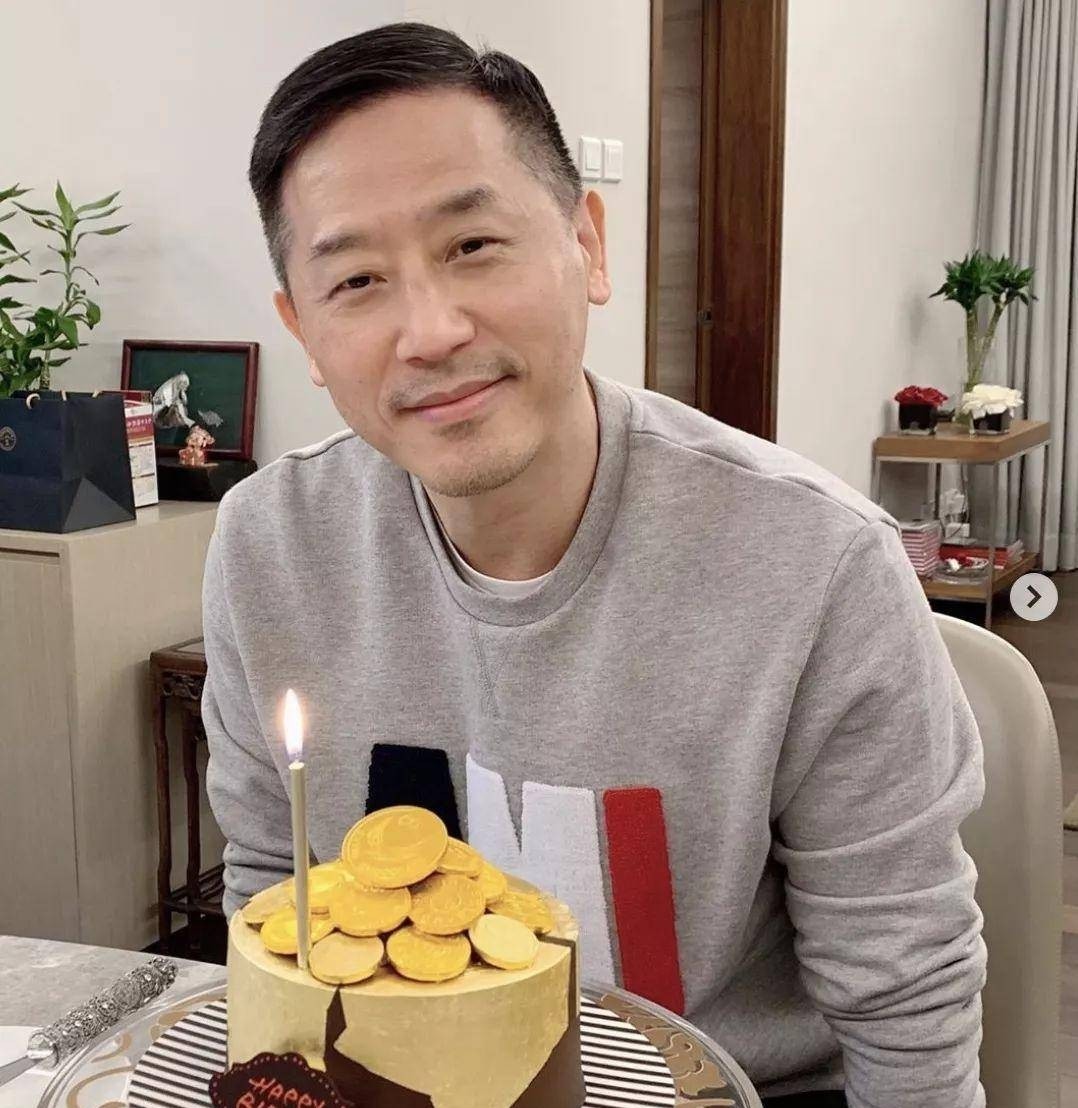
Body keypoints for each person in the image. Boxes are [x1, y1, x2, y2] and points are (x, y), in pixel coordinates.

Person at [202, 22, 986, 1108]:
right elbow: (272, 903)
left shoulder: (815, 566)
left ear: (588, 244)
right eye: (358, 281)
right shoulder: (269, 547)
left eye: (473, 245)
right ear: (303, 330)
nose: (429, 331)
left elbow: (904, 996)